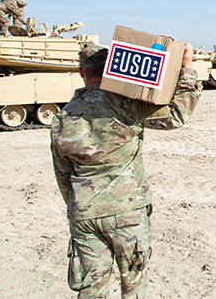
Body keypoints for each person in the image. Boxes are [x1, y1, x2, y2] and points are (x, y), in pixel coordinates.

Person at [50, 41, 199, 299]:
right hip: (126, 211)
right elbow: (176, 114)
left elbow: (63, 175)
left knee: (90, 289)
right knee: (134, 285)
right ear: (111, 68)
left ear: (81, 72)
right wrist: (187, 69)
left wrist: (78, 205)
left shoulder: (62, 117)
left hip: (84, 213)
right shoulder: (126, 105)